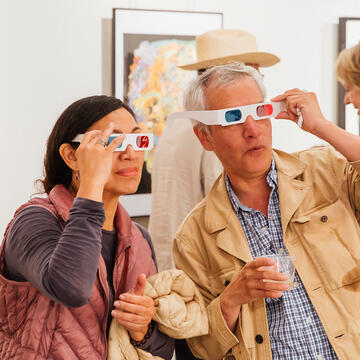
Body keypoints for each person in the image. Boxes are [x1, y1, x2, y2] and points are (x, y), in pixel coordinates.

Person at [173, 62, 360, 359]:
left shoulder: (327, 172)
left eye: (259, 112)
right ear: (205, 138)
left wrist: (321, 126)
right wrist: (231, 299)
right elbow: (201, 347)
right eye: (233, 118)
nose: (252, 130)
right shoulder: (194, 236)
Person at [0, 95, 174, 359]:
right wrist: (92, 183)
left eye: (137, 140)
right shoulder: (33, 221)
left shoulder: (139, 239)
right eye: (113, 142)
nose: (130, 154)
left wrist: (143, 330)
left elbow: (165, 348)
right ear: (72, 156)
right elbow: (72, 288)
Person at [149, 29, 280, 272]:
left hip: (170, 263)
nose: (258, 82)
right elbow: (227, 199)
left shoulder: (177, 125)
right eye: (252, 72)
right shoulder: (216, 131)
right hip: (208, 267)